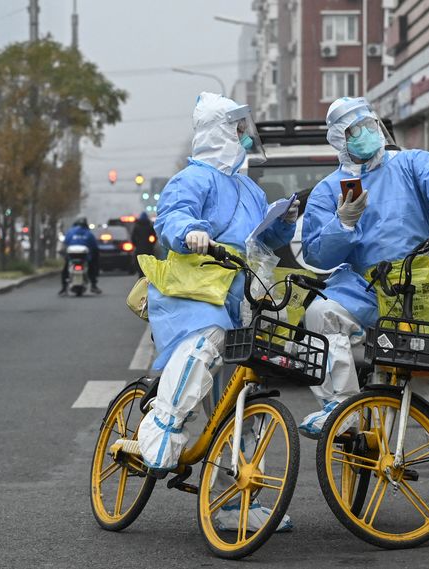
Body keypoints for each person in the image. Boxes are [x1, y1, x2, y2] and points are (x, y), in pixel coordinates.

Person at [298, 96, 429, 531]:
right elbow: (314, 253)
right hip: (363, 285)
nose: (364, 133)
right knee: (322, 312)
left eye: (366, 123)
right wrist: (343, 223)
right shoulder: (332, 189)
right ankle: (340, 409)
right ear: (339, 142)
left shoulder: (411, 164)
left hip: (416, 286)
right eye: (352, 130)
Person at [136, 92, 299, 532]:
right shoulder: (193, 178)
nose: (245, 136)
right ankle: (161, 428)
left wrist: (283, 221)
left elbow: (259, 239)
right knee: (202, 346)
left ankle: (232, 500)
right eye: (238, 129)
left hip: (238, 291)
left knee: (242, 397)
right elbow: (172, 216)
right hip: (195, 290)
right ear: (218, 131)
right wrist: (189, 231)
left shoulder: (247, 186)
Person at [59, 216, 101, 295]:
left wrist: (64, 254)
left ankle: (64, 287)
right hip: (84, 256)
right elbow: (94, 246)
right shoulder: (89, 233)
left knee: (65, 268)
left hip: (71, 255)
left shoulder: (70, 232)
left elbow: (65, 243)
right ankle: (93, 285)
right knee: (92, 266)